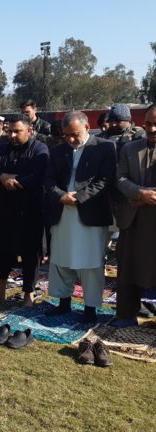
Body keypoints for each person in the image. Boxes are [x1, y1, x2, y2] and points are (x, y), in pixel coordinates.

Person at [43, 111, 116, 323]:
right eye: (66, 135)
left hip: (90, 211)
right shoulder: (58, 151)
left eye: (74, 134)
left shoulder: (104, 147)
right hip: (62, 210)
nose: (71, 139)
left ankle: (90, 308)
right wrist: (61, 196)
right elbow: (48, 180)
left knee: (91, 262)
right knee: (61, 259)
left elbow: (105, 179)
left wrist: (80, 198)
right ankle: (63, 303)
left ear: (86, 127)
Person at [0, 114, 49, 306]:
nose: (12, 135)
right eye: (9, 131)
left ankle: (29, 294)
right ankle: (0, 291)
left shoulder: (39, 149)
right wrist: (2, 175)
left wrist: (7, 182)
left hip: (29, 211)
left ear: (29, 130)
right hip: (3, 211)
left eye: (17, 131)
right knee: (0, 251)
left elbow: (38, 176)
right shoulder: (1, 150)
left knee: (30, 254)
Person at [111, 103, 156, 327]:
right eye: (149, 123)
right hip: (133, 219)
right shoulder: (130, 149)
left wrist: (150, 196)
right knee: (128, 268)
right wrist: (139, 193)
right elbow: (120, 178)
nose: (153, 129)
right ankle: (127, 315)